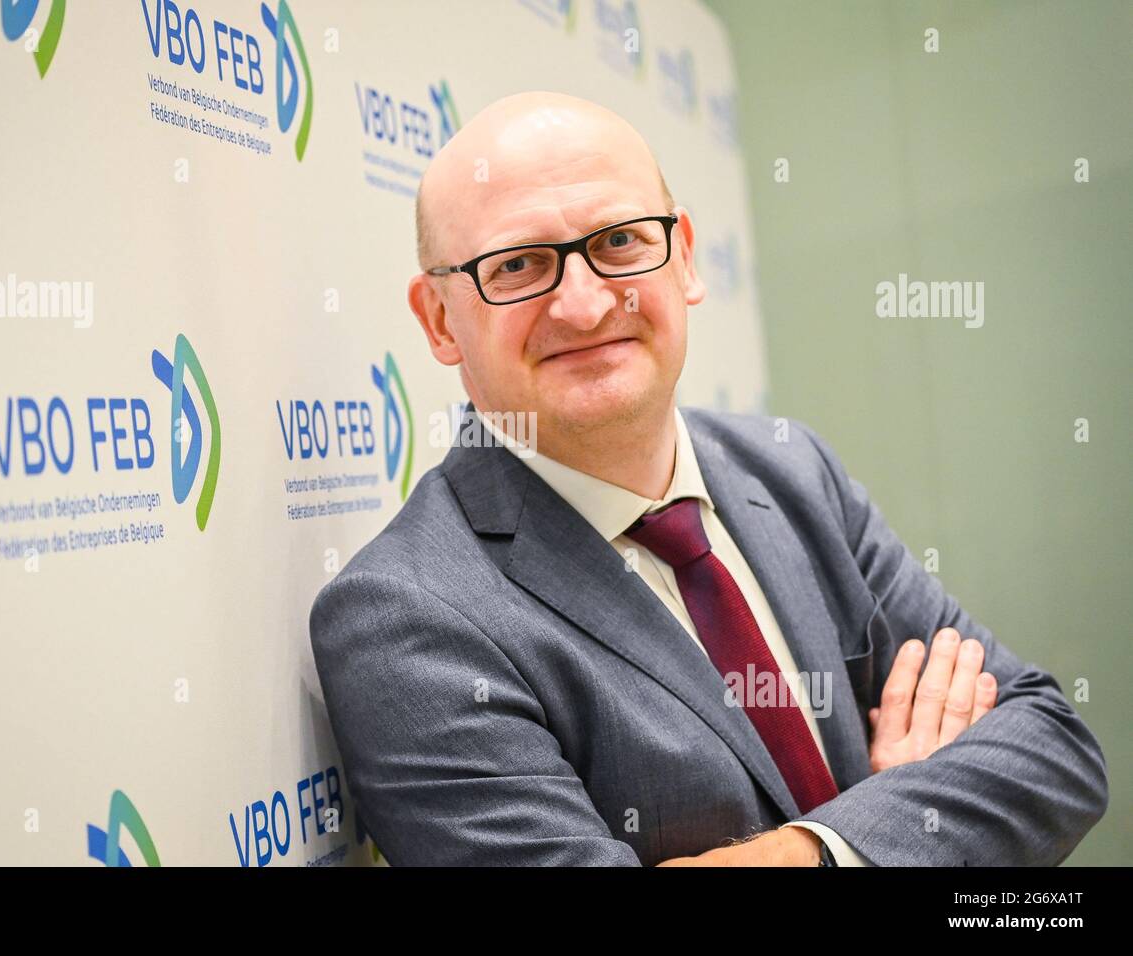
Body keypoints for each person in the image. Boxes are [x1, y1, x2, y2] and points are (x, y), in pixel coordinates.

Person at [309, 91, 1108, 866]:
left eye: (619, 241)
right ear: (440, 320)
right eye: (518, 265)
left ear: (684, 255)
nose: (584, 306)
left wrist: (813, 853)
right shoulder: (405, 616)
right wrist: (911, 812)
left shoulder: (795, 471)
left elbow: (1055, 749)